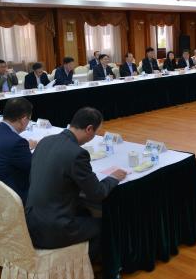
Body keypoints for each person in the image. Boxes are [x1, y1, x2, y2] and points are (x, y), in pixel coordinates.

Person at [25, 107, 126, 269]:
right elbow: (97, 193)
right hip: (53, 229)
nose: (94, 136)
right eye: (96, 132)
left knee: (85, 211)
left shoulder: (45, 141)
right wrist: (113, 178)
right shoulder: (77, 154)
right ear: (89, 129)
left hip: (31, 221)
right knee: (106, 225)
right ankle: (81, 274)